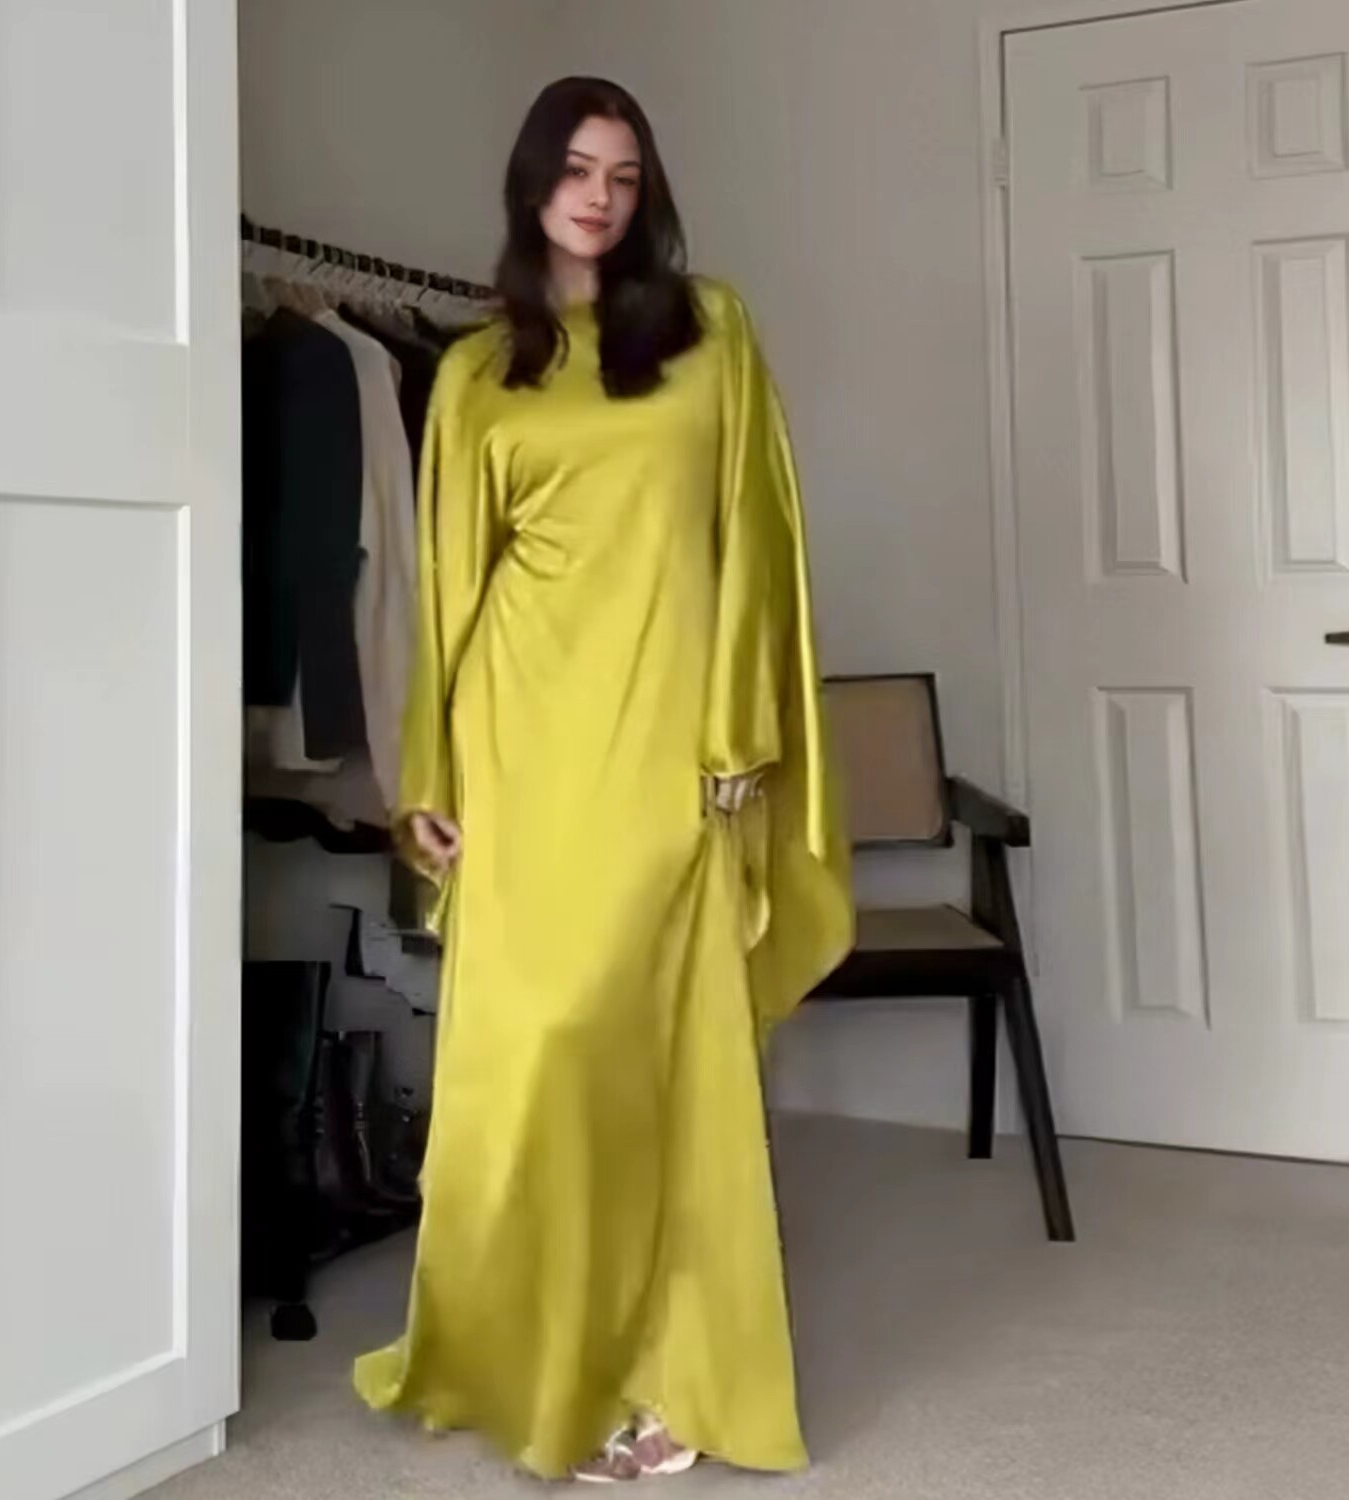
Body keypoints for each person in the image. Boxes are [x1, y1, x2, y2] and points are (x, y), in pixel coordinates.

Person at [353, 76, 853, 1483]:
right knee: (538, 1052)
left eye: (625, 176)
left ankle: (665, 1371)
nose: (600, 197)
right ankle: (536, 1360)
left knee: (662, 1063)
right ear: (533, 182)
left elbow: (757, 540)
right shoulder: (474, 372)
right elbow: (448, 587)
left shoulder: (713, 331)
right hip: (524, 740)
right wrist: (430, 769)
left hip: (672, 748)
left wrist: (740, 733)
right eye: (577, 170)